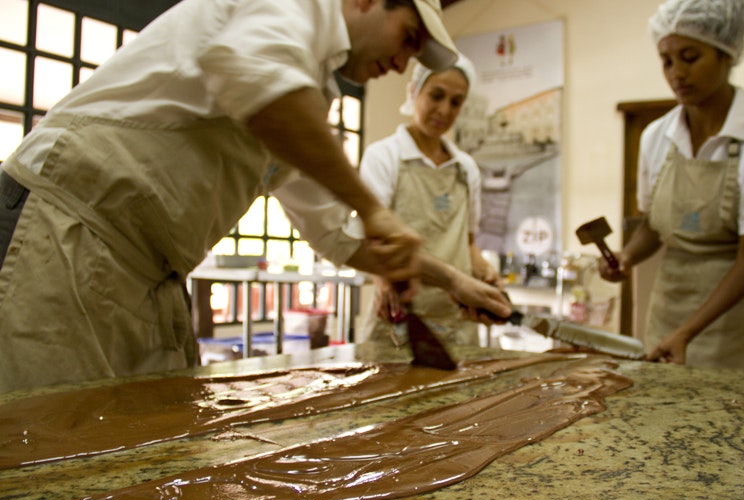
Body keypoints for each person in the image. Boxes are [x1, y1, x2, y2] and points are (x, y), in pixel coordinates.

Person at [0, 0, 509, 393]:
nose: (400, 64)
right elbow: (257, 82)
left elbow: (335, 234)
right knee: (46, 445)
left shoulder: (305, 102)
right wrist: (374, 208)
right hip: (65, 232)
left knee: (138, 446)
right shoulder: (290, 15)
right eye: (407, 38)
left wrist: (454, 280)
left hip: (145, 277)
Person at [598, 0, 744, 372]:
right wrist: (626, 256)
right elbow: (653, 227)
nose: (677, 74)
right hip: (669, 316)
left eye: (690, 57)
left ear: (727, 55)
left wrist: (688, 333)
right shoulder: (657, 136)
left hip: (738, 329)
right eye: (667, 61)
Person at [347, 54, 499, 361]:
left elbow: (467, 243)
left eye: (456, 102)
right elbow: (368, 238)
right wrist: (383, 281)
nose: (444, 110)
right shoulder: (384, 157)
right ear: (414, 91)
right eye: (436, 95)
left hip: (458, 320)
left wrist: (483, 270)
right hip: (400, 318)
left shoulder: (466, 169)